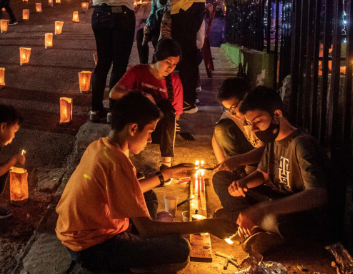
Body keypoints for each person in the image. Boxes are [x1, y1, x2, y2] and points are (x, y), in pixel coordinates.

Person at [55, 92, 236, 273]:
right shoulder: (117, 163)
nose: (150, 139)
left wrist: (166, 175)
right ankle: (133, 264)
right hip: (93, 248)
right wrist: (207, 225)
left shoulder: (101, 146)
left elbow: (130, 190)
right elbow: (148, 229)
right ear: (133, 128)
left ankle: (141, 241)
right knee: (180, 248)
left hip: (81, 234)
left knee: (147, 192)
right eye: (149, 132)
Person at [212, 86, 329, 255]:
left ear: (277, 115)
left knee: (275, 219)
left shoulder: (301, 144)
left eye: (258, 121)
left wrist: (263, 209)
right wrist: (243, 183)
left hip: (296, 212)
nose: (254, 129)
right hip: (273, 199)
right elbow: (263, 174)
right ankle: (250, 225)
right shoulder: (273, 140)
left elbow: (318, 195)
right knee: (221, 179)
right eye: (250, 123)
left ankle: (245, 221)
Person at [110, 39, 183, 167]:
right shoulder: (138, 71)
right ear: (158, 57)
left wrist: (166, 121)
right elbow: (114, 93)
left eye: (175, 64)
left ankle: (166, 165)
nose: (170, 67)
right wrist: (144, 96)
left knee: (167, 108)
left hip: (157, 129)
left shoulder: (175, 81)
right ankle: (123, 161)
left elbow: (175, 114)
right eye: (168, 62)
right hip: (136, 125)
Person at [212, 78, 262, 177]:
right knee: (221, 128)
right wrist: (223, 166)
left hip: (264, 160)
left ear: (246, 96)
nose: (232, 113)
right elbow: (216, 138)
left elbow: (264, 151)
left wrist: (235, 161)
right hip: (244, 157)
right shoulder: (231, 114)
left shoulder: (260, 113)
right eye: (227, 109)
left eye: (234, 107)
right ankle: (236, 174)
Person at [135, 0, 168, 64]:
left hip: (167, 26)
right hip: (156, 25)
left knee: (155, 39)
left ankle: (156, 63)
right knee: (140, 34)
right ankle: (143, 64)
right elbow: (153, 12)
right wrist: (147, 25)